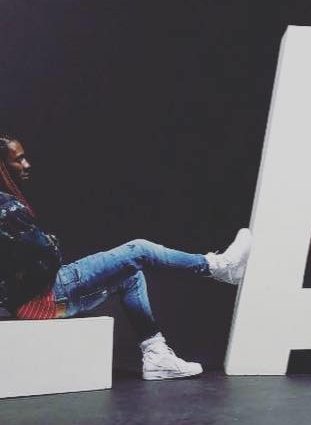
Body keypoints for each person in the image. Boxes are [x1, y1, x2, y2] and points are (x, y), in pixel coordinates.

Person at [0, 133, 252, 380]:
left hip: (29, 302)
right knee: (139, 250)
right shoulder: (9, 209)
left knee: (130, 276)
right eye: (18, 159)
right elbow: (50, 255)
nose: (27, 164)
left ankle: (156, 357)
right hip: (49, 296)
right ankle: (220, 266)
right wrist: (50, 243)